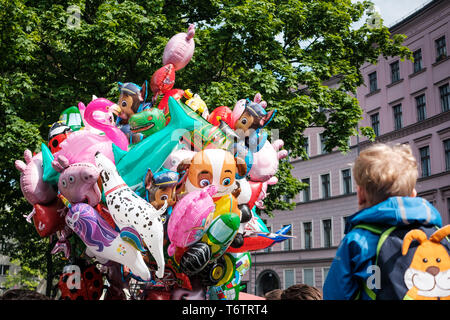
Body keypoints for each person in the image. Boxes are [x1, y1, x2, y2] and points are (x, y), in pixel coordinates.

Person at [323, 143, 443, 300]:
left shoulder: (357, 240)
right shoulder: (438, 237)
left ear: (360, 194)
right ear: (413, 194)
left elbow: (336, 294)